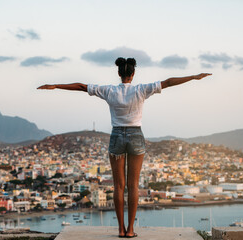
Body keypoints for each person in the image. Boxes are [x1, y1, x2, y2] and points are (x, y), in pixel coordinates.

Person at [38, 57, 211, 238]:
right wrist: (193, 77)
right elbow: (168, 82)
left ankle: (120, 230)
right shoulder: (141, 89)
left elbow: (82, 87)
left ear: (119, 73)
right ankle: (130, 231)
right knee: (133, 186)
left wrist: (56, 85)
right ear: (133, 74)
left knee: (118, 186)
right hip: (136, 136)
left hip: (117, 137)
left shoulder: (109, 91)